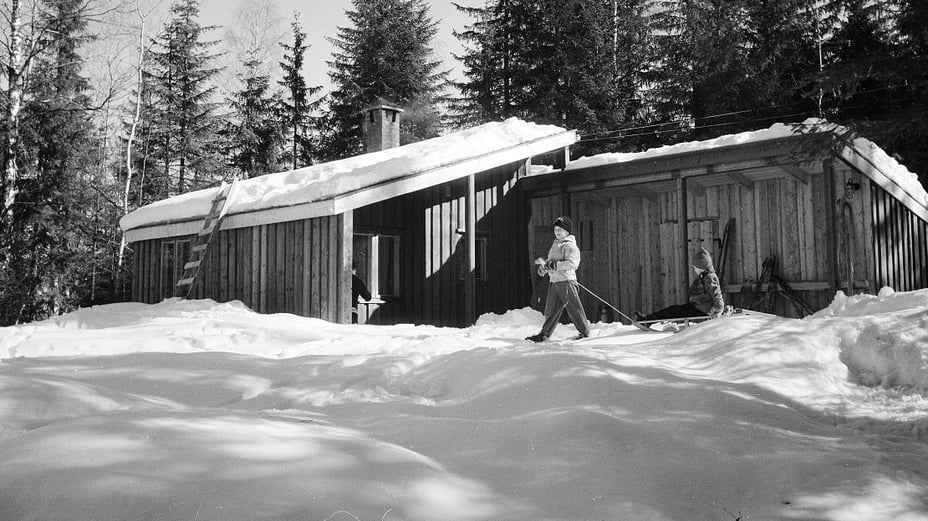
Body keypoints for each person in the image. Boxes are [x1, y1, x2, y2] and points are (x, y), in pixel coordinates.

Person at [526, 216, 591, 342]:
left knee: (574, 308)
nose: (557, 232)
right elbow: (550, 261)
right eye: (555, 229)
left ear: (567, 231)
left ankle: (584, 332)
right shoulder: (555, 244)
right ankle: (544, 334)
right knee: (551, 310)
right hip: (554, 280)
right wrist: (544, 268)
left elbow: (572, 264)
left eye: (560, 229)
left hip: (566, 281)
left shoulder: (570, 246)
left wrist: (555, 265)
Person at [635, 247, 725, 323]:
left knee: (674, 311)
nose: (694, 269)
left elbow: (717, 294)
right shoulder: (706, 276)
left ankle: (647, 321)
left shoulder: (709, 277)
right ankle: (648, 320)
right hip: (698, 308)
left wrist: (717, 311)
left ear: (701, 266)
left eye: (695, 267)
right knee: (674, 309)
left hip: (702, 311)